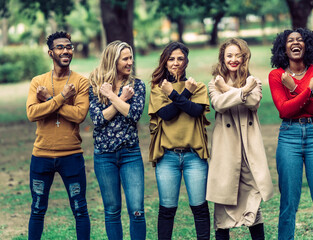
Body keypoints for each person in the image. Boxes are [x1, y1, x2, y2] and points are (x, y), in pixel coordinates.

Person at [269, 28, 313, 240]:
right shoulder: (277, 75)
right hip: (289, 135)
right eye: (290, 40)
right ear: (284, 47)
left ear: (307, 45)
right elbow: (285, 110)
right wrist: (309, 90)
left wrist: (296, 89)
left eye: (300, 39)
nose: (295, 43)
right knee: (288, 203)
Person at [206, 38, 274, 240]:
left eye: (238, 55)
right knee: (223, 206)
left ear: (244, 58)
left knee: (253, 206)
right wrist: (243, 91)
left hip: (249, 152)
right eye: (229, 55)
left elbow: (253, 102)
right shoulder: (213, 83)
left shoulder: (254, 81)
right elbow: (218, 104)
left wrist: (230, 90)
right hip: (226, 152)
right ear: (223, 58)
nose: (233, 59)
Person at [26, 31, 90, 240]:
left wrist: (49, 100)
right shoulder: (38, 81)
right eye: (60, 47)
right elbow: (32, 113)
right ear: (50, 52)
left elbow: (79, 115)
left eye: (69, 47)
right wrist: (62, 97)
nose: (66, 51)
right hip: (41, 155)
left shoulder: (81, 82)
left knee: (80, 209)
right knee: (37, 209)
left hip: (71, 155)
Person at [148, 42, 211, 240]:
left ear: (186, 61)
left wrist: (175, 94)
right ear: (165, 62)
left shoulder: (198, 86)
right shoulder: (159, 89)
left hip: (194, 157)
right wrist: (183, 94)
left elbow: (195, 111)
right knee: (167, 210)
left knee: (199, 208)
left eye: (180, 59)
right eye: (171, 59)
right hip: (168, 157)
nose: (175, 63)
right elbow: (166, 114)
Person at [88, 41, 146, 240]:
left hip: (131, 153)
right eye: (126, 58)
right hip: (104, 156)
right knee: (112, 210)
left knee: (137, 209)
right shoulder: (95, 85)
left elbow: (134, 115)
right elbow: (97, 119)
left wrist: (112, 96)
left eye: (131, 58)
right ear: (113, 61)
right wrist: (121, 99)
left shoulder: (137, 85)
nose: (130, 62)